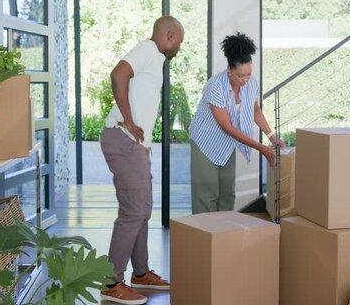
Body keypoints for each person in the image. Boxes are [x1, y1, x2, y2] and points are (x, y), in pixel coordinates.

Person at [99, 16, 184, 305]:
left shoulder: (155, 59)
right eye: (180, 42)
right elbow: (118, 74)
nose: (179, 48)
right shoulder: (149, 49)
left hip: (136, 145)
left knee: (143, 209)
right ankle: (111, 282)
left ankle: (141, 273)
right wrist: (128, 120)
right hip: (124, 140)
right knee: (134, 212)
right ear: (170, 36)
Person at [188, 32, 284, 214]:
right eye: (240, 75)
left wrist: (272, 137)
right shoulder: (215, 86)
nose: (245, 80)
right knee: (207, 195)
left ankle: (223, 237)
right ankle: (203, 238)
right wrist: (261, 148)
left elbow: (255, 111)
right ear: (229, 70)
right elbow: (227, 127)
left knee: (227, 195)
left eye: (248, 74)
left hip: (226, 145)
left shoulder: (252, 84)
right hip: (205, 143)